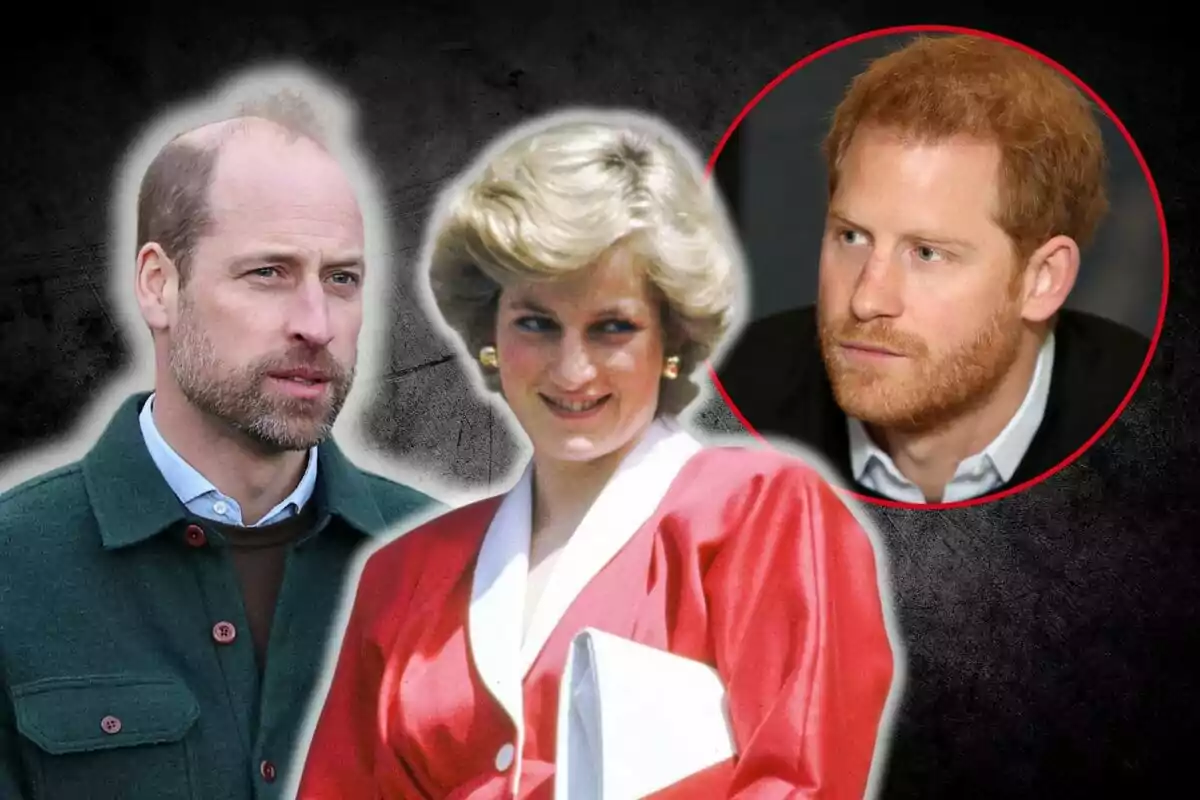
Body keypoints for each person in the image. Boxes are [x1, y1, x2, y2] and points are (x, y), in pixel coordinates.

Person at [292, 111, 897, 799]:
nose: (572, 370)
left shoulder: (761, 514)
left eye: (612, 327)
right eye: (536, 324)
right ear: (489, 330)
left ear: (672, 334)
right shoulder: (401, 578)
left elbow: (800, 783)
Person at [0, 84, 440, 800]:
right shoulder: (13, 574)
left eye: (342, 279)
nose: (316, 323)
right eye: (268, 272)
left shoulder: (449, 564)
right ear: (157, 286)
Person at [713, 34, 1153, 505]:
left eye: (926, 253)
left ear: (1042, 279)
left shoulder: (1159, 445)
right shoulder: (725, 409)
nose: (866, 299)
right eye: (852, 237)